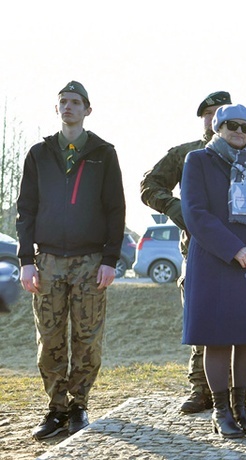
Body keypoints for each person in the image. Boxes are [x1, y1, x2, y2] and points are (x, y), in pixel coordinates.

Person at [16, 81, 126, 440]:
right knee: (49, 339)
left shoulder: (103, 153)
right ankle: (55, 408)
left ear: (87, 110)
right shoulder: (39, 153)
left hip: (90, 261)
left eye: (76, 102)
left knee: (87, 338)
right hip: (47, 260)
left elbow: (115, 209)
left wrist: (110, 259)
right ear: (57, 108)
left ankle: (79, 405)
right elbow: (25, 210)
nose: (69, 106)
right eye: (63, 101)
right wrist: (26, 260)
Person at [181, 104, 246, 438]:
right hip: (215, 261)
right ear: (218, 126)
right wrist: (234, 249)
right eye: (232, 126)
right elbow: (195, 212)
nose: (239, 132)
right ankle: (220, 411)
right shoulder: (198, 161)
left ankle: (241, 409)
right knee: (217, 339)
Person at [140, 90, 232, 414]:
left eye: (220, 110)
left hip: (236, 250)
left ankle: (230, 390)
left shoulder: (244, 153)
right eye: (208, 112)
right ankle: (200, 389)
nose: (213, 116)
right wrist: (178, 210)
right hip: (197, 250)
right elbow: (149, 185)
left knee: (233, 319)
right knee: (200, 317)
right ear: (203, 119)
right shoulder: (185, 154)